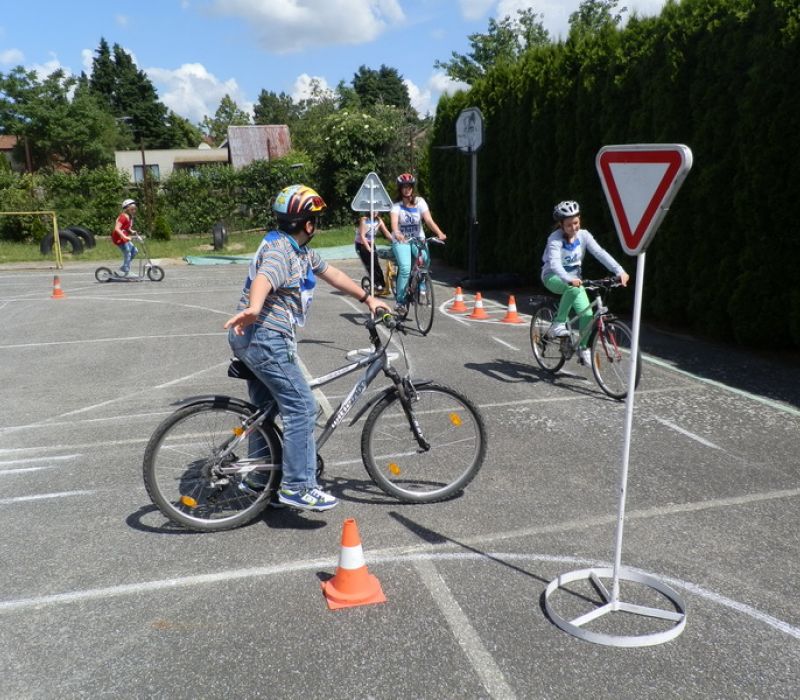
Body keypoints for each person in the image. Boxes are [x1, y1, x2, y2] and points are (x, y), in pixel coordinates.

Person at [224, 184, 384, 512]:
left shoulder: (297, 250)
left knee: (265, 409)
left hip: (255, 338)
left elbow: (332, 273)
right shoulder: (282, 251)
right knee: (302, 407)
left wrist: (367, 298)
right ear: (308, 224)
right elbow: (265, 277)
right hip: (265, 338)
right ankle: (298, 486)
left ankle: (259, 479)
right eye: (316, 220)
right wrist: (255, 307)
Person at [541, 200, 630, 366]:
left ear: (579, 219)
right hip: (553, 277)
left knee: (588, 315)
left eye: (576, 223)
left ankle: (583, 349)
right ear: (561, 225)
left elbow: (600, 253)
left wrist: (619, 271)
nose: (573, 227)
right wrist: (568, 279)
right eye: (568, 225)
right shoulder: (555, 239)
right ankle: (558, 324)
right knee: (573, 289)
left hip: (575, 281)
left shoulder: (584, 235)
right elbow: (555, 264)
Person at [389, 173, 446, 314]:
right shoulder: (396, 206)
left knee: (425, 260)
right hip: (401, 240)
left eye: (409, 186)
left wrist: (439, 233)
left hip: (418, 238)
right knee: (405, 268)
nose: (407, 189)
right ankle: (400, 301)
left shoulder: (420, 202)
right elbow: (394, 224)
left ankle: (421, 286)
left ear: (412, 188)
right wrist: (397, 233)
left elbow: (428, 220)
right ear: (400, 189)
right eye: (404, 187)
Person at [354, 211, 391, 296]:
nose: (374, 212)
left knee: (376, 264)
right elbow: (362, 236)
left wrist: (395, 241)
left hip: (371, 243)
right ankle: (377, 284)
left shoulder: (379, 220)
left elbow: (386, 232)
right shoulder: (364, 220)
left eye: (376, 210)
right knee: (369, 264)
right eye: (373, 210)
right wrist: (368, 248)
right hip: (361, 244)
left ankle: (382, 285)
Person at [111, 198, 138, 276]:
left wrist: (131, 231)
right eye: (132, 209)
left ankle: (124, 267)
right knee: (128, 253)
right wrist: (125, 237)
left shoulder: (130, 217)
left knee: (134, 251)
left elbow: (126, 227)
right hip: (119, 238)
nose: (134, 211)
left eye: (134, 209)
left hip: (124, 237)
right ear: (127, 209)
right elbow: (117, 228)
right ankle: (126, 270)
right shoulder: (123, 217)